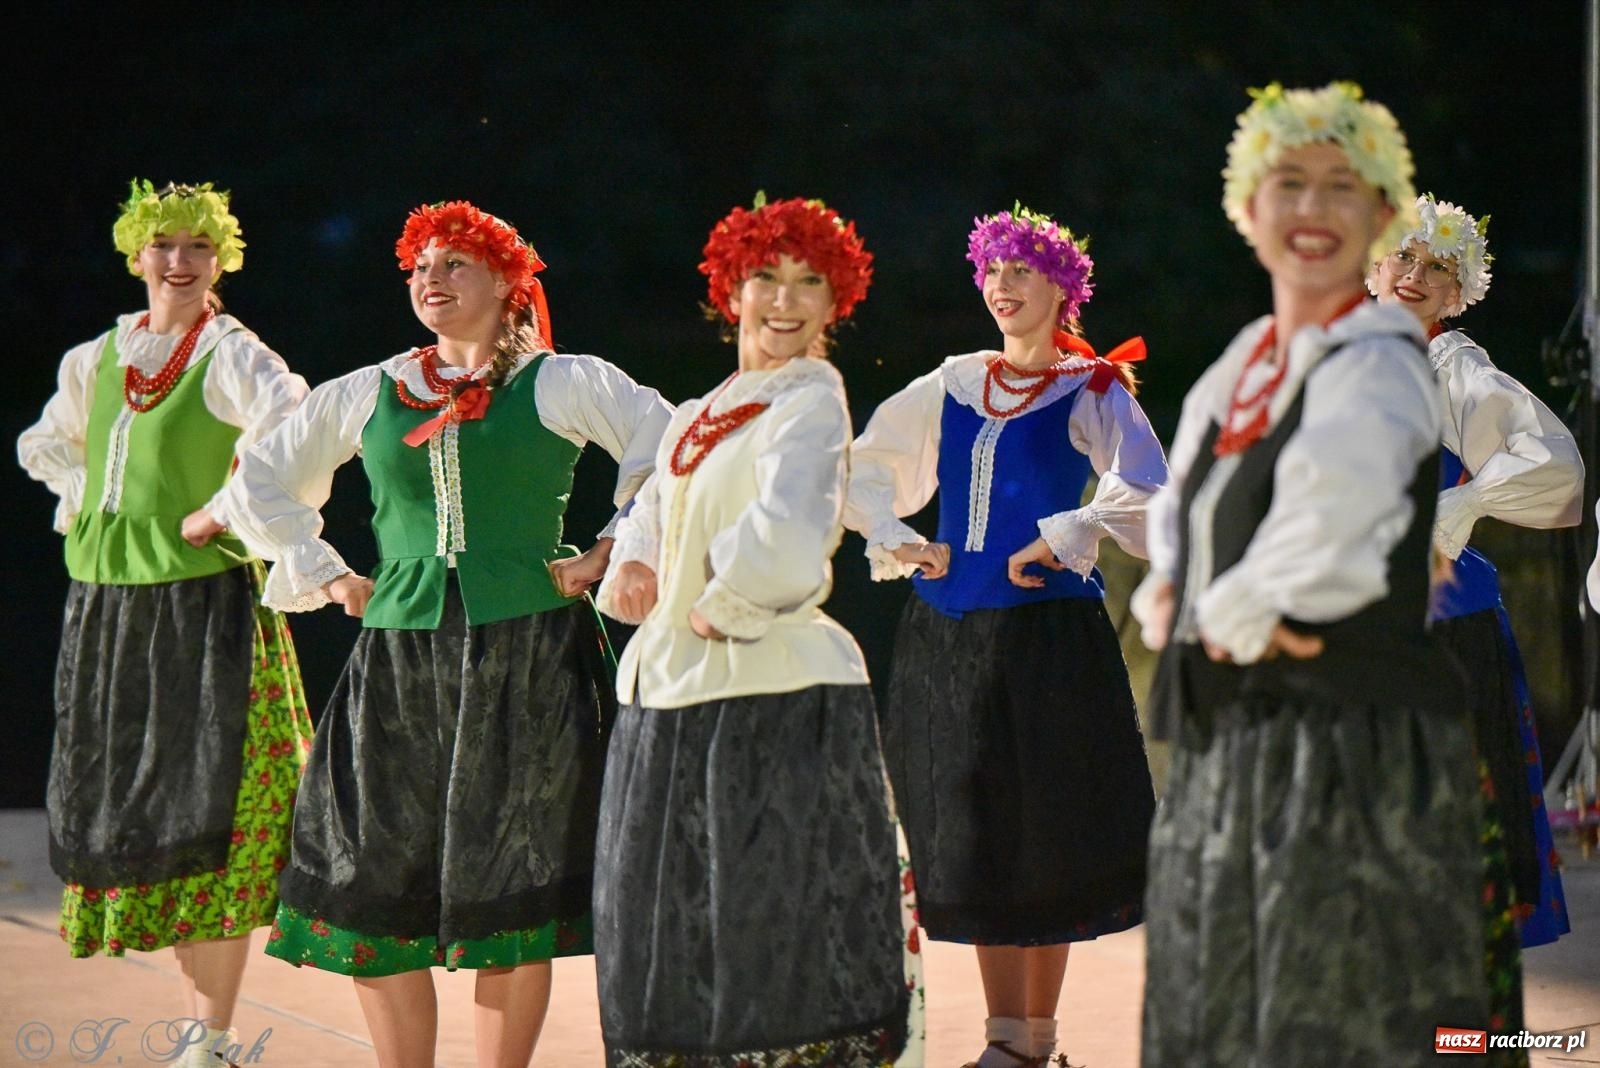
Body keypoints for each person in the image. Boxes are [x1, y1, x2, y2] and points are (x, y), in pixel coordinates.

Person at [218, 200, 672, 1068]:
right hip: (398, 658)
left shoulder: (563, 380)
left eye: (455, 264)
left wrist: (614, 549)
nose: (432, 278)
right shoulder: (370, 388)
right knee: (374, 876)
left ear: (508, 283)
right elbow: (260, 477)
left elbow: (671, 445)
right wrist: (330, 573)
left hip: (529, 653)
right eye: (420, 267)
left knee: (515, 878)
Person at [1133, 82, 1497, 1065]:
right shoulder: (1248, 358)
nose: (1311, 207)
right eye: (1287, 182)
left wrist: (1232, 609)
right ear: (1247, 208)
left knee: (1336, 1018)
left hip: (1347, 750)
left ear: (1381, 216)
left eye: (1343, 186)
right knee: (1226, 1012)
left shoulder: (1378, 362)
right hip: (1237, 743)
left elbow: (1334, 524)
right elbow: (1183, 510)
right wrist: (1176, 587)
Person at [844, 203, 1165, 1068]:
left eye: (1022, 272)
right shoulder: (951, 381)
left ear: (1062, 288)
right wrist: (896, 537)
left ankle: (1037, 1045)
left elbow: (1149, 492)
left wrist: (1068, 530)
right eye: (992, 272)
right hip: (950, 635)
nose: (1002, 287)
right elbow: (866, 470)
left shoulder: (1091, 387)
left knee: (1044, 837)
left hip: (1047, 639)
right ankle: (1003, 1043)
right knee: (979, 837)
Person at [593, 194, 908, 1066]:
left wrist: (726, 601)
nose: (785, 299)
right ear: (730, 287)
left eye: (810, 282)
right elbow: (656, 504)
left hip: (768, 690)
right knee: (669, 927)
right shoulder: (700, 412)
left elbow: (793, 515)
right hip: (670, 692)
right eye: (767, 276)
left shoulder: (813, 397)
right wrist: (635, 567)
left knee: (771, 930)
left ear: (835, 301)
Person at [17, 179, 313, 1068]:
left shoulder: (232, 354)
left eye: (198, 249)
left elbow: (292, 427)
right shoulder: (98, 356)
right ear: (137, 255)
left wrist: (224, 509)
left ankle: (212, 1036)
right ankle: (201, 1029)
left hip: (198, 603)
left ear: (219, 260)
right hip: (109, 604)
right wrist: (90, 506)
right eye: (165, 247)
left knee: (210, 812)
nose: (179, 264)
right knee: (138, 811)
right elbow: (48, 444)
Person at [1370, 195, 1582, 961]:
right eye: (1406, 257)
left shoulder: (1453, 368)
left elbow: (1555, 464)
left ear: (1458, 293)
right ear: (1374, 266)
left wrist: (1461, 505)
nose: (1417, 275)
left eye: (1439, 267)